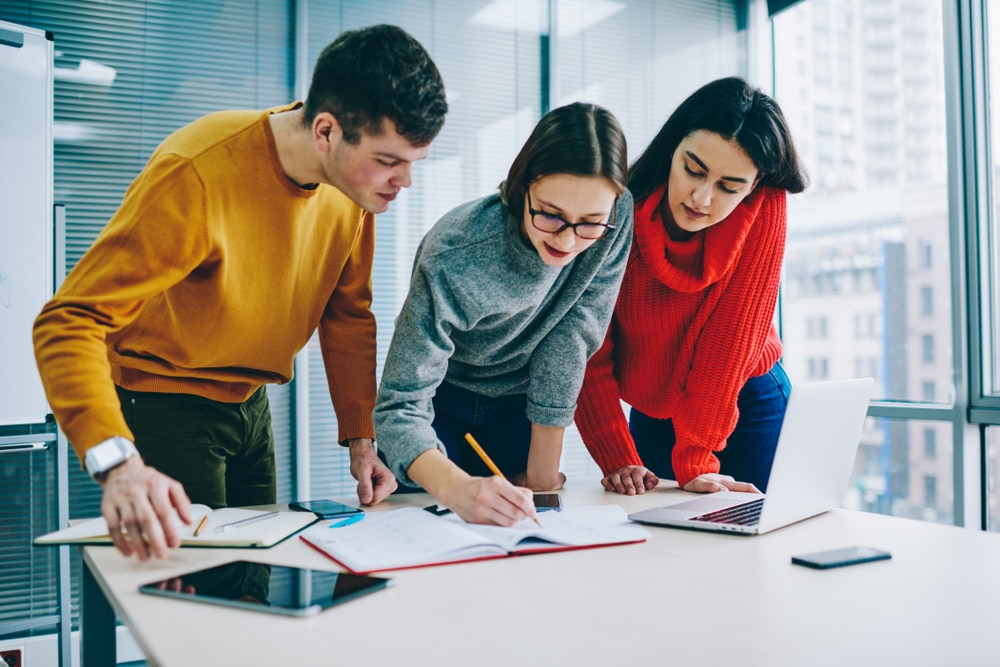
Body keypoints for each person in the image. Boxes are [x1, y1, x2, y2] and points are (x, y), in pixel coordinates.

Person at [32, 24, 448, 561]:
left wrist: (362, 438)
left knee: (255, 577)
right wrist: (118, 464)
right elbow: (69, 321)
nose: (404, 182)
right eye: (390, 161)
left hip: (252, 405)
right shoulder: (199, 171)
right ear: (326, 131)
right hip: (166, 402)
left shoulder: (352, 188)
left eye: (414, 162)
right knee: (199, 589)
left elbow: (346, 313)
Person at [373, 102, 632, 526]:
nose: (567, 242)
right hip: (442, 408)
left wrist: (542, 478)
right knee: (431, 541)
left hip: (521, 407)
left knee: (527, 546)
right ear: (522, 184)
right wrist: (457, 489)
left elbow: (572, 336)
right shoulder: (454, 253)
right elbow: (400, 406)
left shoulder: (615, 220)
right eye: (550, 215)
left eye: (590, 222)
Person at [576, 76, 808, 497]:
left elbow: (732, 340)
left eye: (729, 186)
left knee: (753, 548)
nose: (701, 198)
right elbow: (585, 344)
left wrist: (697, 454)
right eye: (693, 170)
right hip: (656, 408)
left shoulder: (767, 206)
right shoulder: (612, 212)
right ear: (672, 149)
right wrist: (615, 452)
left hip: (745, 398)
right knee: (662, 549)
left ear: (754, 185)